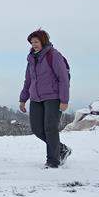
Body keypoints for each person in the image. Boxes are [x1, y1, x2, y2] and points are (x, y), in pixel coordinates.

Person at [19, 28, 72, 168]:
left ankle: (53, 161)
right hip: (36, 98)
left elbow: (63, 78)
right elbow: (28, 80)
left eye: (36, 42)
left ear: (43, 41)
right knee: (37, 129)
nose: (34, 45)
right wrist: (23, 99)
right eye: (32, 42)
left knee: (50, 128)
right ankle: (62, 149)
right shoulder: (31, 58)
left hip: (53, 97)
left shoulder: (53, 55)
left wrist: (64, 100)